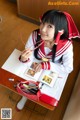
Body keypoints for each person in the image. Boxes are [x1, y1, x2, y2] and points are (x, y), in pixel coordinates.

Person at [17, 9, 80, 110]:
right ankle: (25, 96)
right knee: (28, 80)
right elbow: (31, 55)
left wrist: (46, 65)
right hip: (35, 64)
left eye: (49, 26)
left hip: (54, 68)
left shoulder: (66, 46)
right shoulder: (35, 36)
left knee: (45, 88)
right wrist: (25, 58)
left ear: (61, 31)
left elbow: (68, 68)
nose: (42, 29)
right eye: (43, 23)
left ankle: (36, 97)